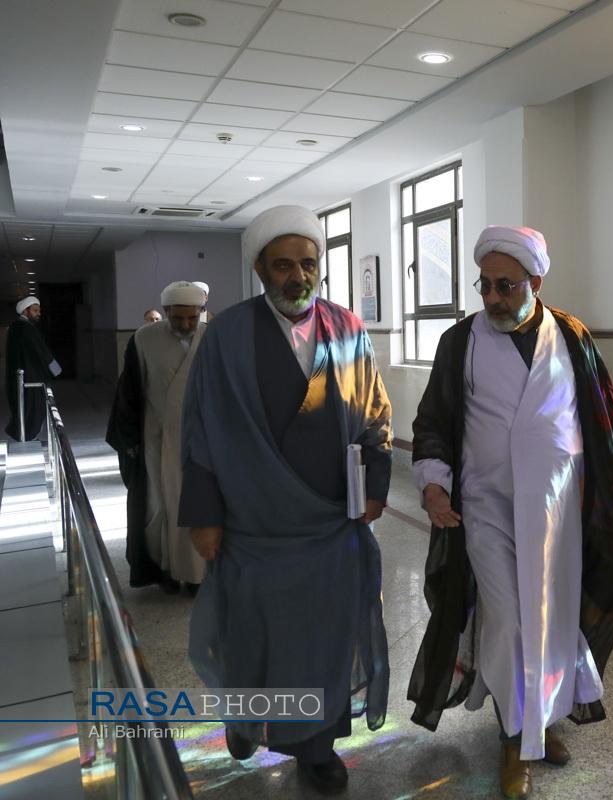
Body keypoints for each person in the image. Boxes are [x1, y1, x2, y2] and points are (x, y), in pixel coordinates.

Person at [408, 225, 613, 800]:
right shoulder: (460, 341)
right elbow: (434, 419)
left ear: (535, 283)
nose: (492, 297)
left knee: (553, 619)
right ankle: (515, 739)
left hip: (558, 510)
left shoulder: (571, 335)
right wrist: (434, 484)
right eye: (485, 285)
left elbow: (604, 418)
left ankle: (539, 723)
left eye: (506, 286)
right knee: (510, 619)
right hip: (485, 506)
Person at [178, 205, 392, 795]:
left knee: (323, 641)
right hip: (253, 525)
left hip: (330, 525)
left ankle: (316, 748)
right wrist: (205, 515)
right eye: (282, 265)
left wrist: (375, 487)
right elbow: (200, 430)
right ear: (260, 269)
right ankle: (247, 717)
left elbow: (375, 412)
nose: (298, 276)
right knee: (252, 636)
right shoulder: (225, 336)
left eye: (307, 263)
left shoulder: (348, 329)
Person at [106, 282, 209, 595]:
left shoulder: (214, 338)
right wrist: (130, 441)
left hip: (203, 443)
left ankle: (198, 575)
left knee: (200, 508)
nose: (186, 324)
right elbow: (129, 392)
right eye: (178, 318)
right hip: (157, 441)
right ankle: (166, 569)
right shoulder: (143, 339)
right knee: (159, 508)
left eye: (192, 317)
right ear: (166, 312)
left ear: (201, 312)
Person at [5, 296, 61, 441]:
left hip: (21, 377)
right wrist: (56, 369)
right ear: (25, 311)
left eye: (39, 311)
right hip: (29, 377)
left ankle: (25, 435)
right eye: (35, 311)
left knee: (25, 410)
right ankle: (27, 437)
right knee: (32, 409)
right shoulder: (25, 328)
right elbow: (42, 351)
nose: (38, 314)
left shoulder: (17, 327)